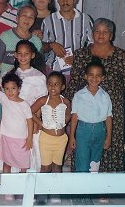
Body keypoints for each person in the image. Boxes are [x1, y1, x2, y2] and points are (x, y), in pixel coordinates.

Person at [65, 18, 125, 172]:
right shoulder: (81, 54)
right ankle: (82, 189)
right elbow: (75, 81)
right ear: (92, 34)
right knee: (83, 150)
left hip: (111, 110)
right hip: (84, 112)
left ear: (111, 35)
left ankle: (105, 189)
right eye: (97, 31)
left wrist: (112, 93)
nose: (101, 35)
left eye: (105, 32)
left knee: (109, 145)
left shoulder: (124, 57)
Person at [0, 73, 34, 201]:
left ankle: (21, 188)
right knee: (7, 164)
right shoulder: (4, 99)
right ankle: (7, 187)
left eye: (13, 88)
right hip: (7, 138)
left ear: (19, 89)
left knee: (23, 166)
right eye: (7, 89)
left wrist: (29, 138)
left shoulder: (24, 104)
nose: (10, 91)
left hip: (21, 140)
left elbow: (30, 122)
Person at [30, 71, 71, 204]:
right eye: (50, 84)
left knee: (57, 167)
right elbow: (30, 111)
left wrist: (65, 120)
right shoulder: (43, 100)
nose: (52, 87)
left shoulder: (65, 101)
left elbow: (70, 114)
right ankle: (42, 194)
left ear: (62, 87)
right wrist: (40, 123)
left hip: (61, 139)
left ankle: (55, 192)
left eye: (56, 84)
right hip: (46, 139)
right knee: (45, 167)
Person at [68, 61, 112, 173]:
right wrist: (72, 136)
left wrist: (108, 137)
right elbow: (74, 117)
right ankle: (81, 189)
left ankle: (92, 188)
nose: (94, 78)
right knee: (82, 164)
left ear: (102, 78)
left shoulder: (105, 96)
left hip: (99, 130)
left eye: (98, 75)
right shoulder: (79, 95)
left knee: (95, 164)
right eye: (91, 75)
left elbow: (108, 117)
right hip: (83, 131)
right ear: (85, 76)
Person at [42, 0, 93, 79]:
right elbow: (41, 46)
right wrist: (51, 45)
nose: (65, 2)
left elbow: (92, 44)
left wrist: (79, 57)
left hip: (79, 70)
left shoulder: (85, 19)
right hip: (54, 70)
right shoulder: (48, 20)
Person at [0, 4, 42, 79]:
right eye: (24, 15)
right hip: (7, 85)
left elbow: (39, 66)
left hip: (29, 85)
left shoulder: (36, 41)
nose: (27, 19)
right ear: (17, 18)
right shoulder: (5, 36)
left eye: (31, 17)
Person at [11, 40, 46, 106]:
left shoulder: (39, 76)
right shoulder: (11, 75)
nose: (23, 56)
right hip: (13, 113)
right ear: (15, 55)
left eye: (26, 53)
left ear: (32, 55)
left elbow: (42, 100)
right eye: (19, 53)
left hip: (31, 113)